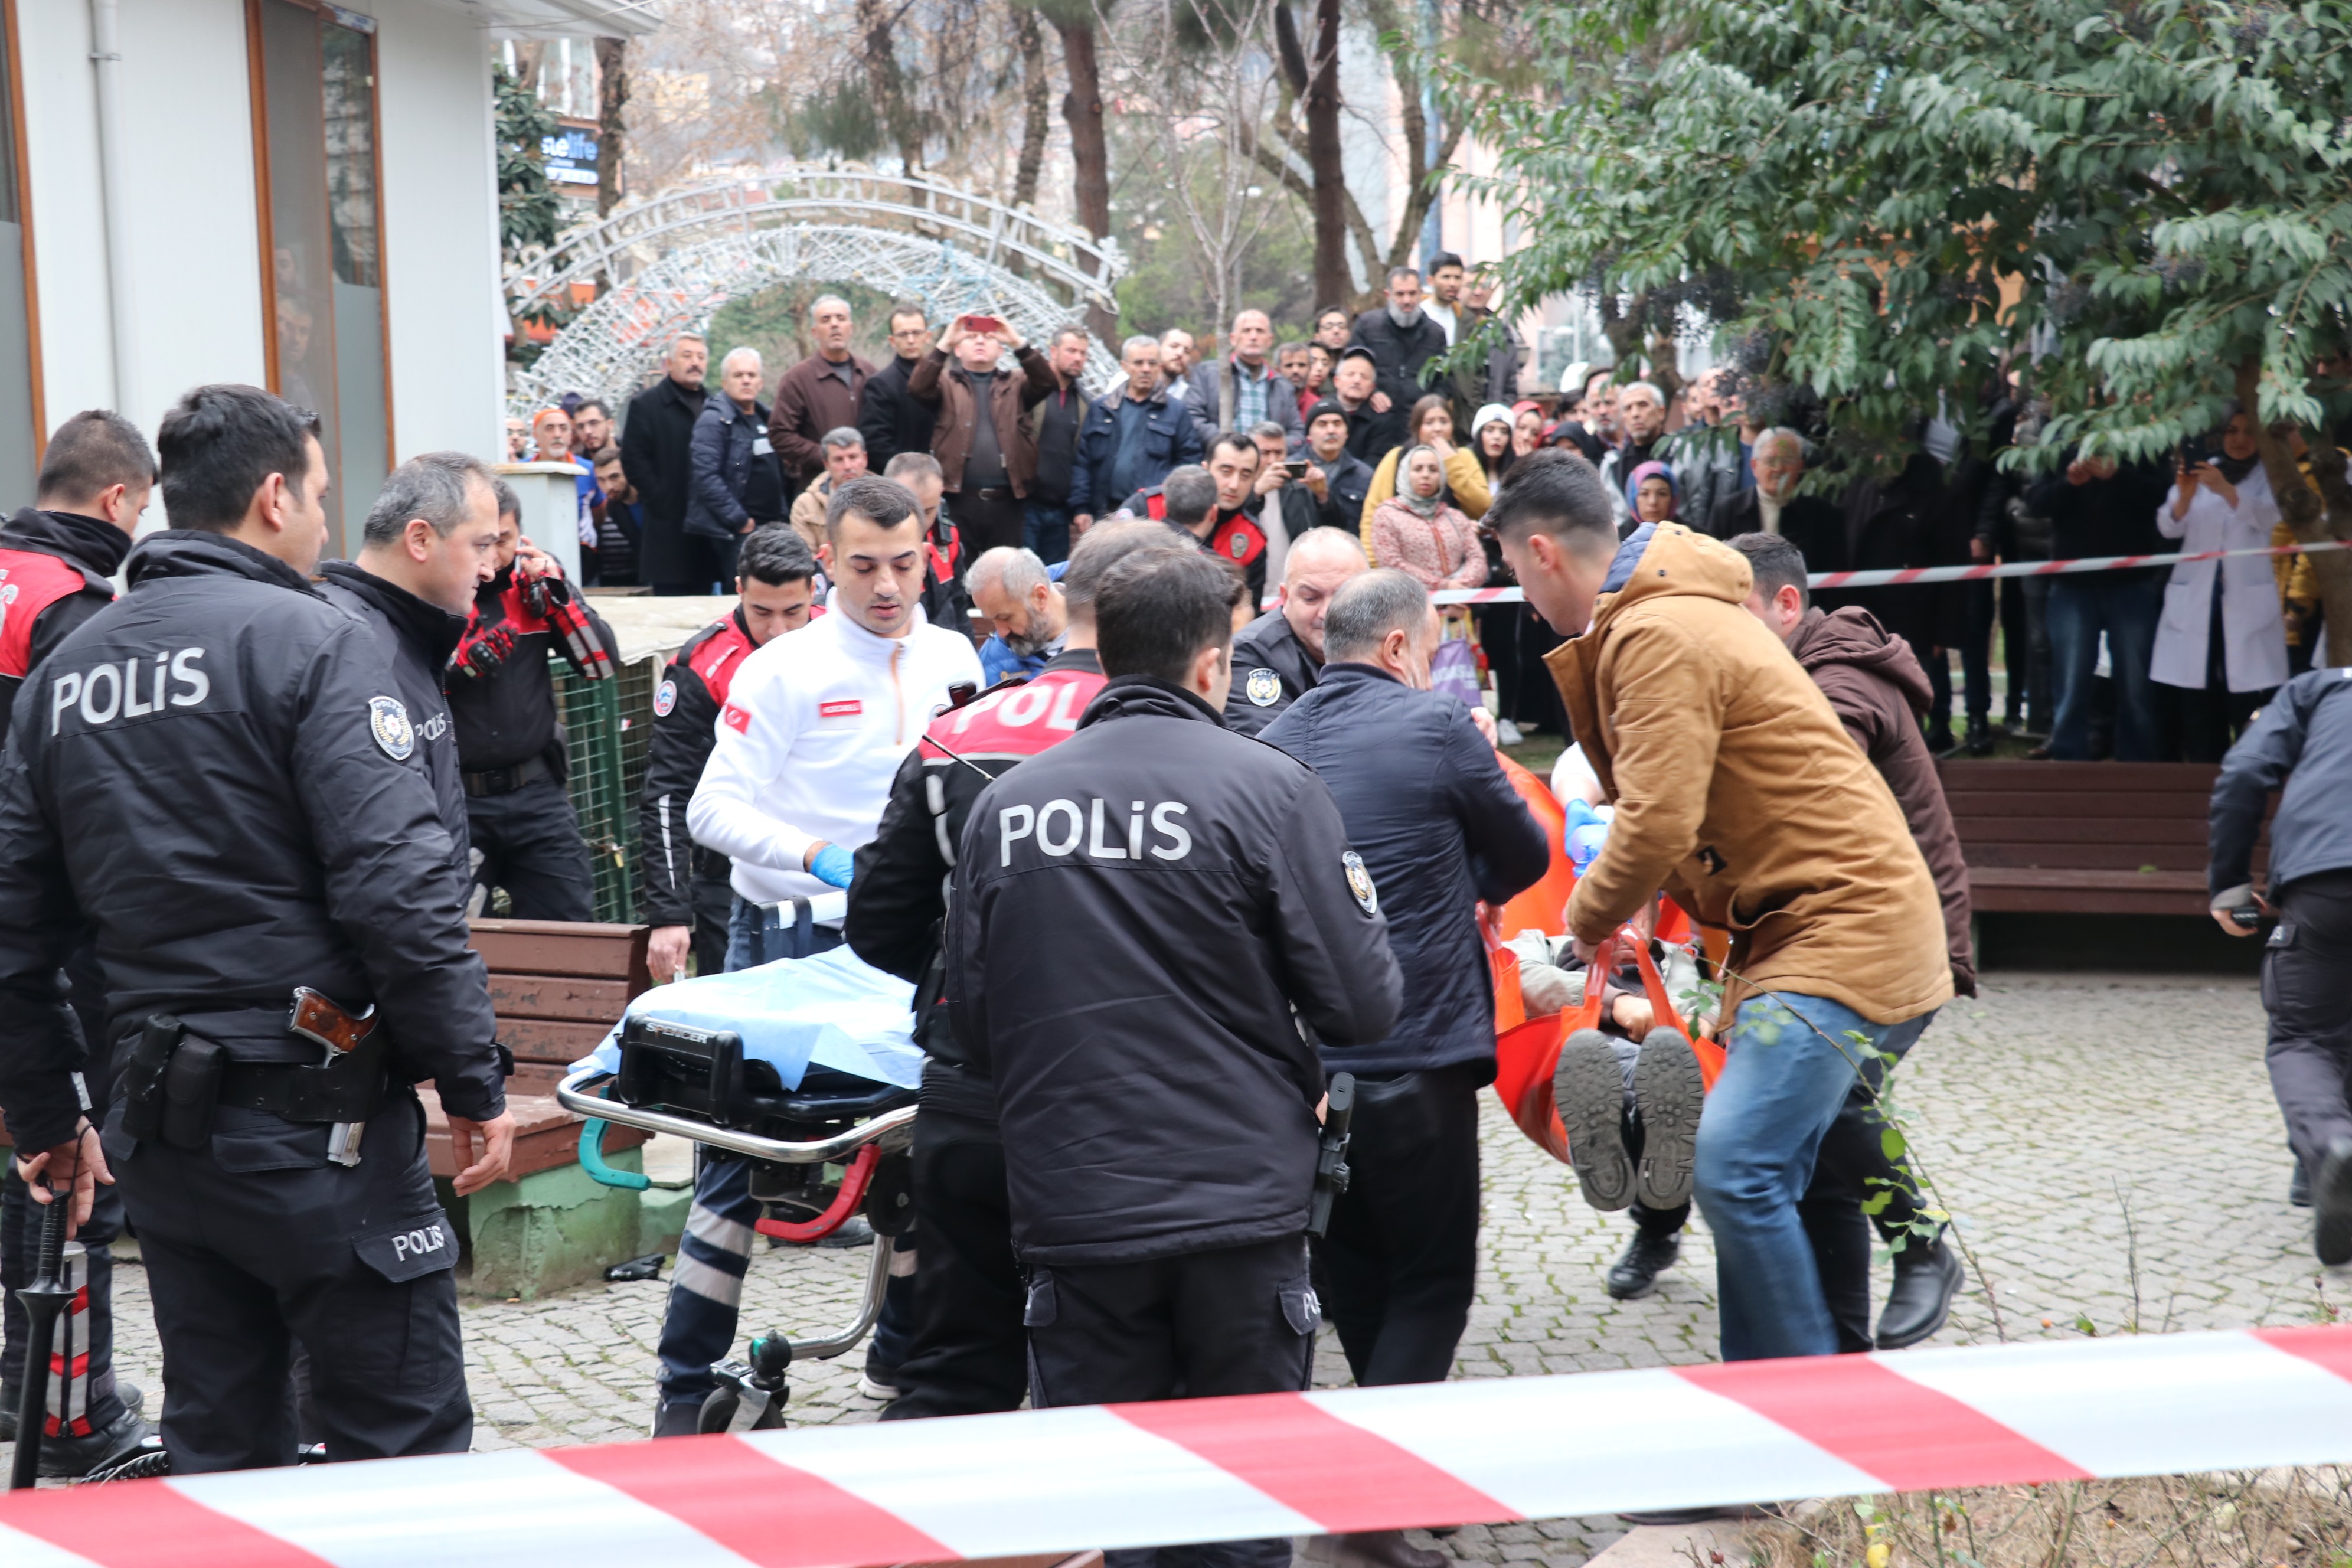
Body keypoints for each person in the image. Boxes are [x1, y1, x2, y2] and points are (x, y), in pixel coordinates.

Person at [0, 383, 515, 1473]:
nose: (329, 525)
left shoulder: (66, 678)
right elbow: (400, 892)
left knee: (222, 1452)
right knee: (403, 1446)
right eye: (322, 498)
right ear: (274, 496)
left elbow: (15, 936)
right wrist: (471, 1080)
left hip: (166, 1144)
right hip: (319, 1121)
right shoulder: (316, 643)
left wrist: (49, 1118)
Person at [945, 546, 1403, 1568]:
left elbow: (969, 1026)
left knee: (1114, 1514)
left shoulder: (1005, 806)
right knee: (1237, 1511)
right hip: (1239, 1207)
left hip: (1076, 1209)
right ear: (1212, 666)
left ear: (1106, 658)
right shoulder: (1271, 790)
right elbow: (1364, 1004)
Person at [1491, 450, 1949, 1362]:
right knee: (1796, 1167)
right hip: (1802, 931)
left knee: (1735, 1164)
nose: (1522, 597)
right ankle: (1808, 1423)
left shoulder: (1655, 632)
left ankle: (1792, 1424)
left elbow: (1658, 820)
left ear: (1542, 552)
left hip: (1838, 931)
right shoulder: (1670, 616)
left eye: (1510, 573)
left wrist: (1574, 937)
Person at [655, 478, 983, 1431]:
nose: (886, 586)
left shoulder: (954, 654)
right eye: (863, 565)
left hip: (907, 943)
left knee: (923, 1151)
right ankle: (685, 1391)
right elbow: (709, 810)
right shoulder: (782, 669)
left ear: (931, 555)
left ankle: (903, 1355)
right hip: (790, 940)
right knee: (738, 1163)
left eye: (904, 564)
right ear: (827, 560)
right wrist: (814, 859)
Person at [848, 522, 1185, 1423]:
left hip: (977, 1072)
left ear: (1063, 608)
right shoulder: (1192, 745)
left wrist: (965, 969)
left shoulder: (957, 732)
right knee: (1124, 1370)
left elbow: (877, 921)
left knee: (956, 1364)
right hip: (1137, 1099)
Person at [1259, 574, 1546, 1529]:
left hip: (1301, 1071)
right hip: (1414, 1052)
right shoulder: (1436, 730)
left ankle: (1397, 1476)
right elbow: (1524, 858)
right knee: (1431, 1277)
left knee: (1360, 1276)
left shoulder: (1268, 743)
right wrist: (1449, 870)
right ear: (1394, 647)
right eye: (1427, 647)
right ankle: (1375, 1494)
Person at [1717, 533, 1972, 1348]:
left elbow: (1807, 780)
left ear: (1787, 606)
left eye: (1738, 616)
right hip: (1841, 933)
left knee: (1822, 1108)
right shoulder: (1800, 670)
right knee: (1812, 1134)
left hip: (1892, 934)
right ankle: (1842, 1339)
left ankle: (1921, 1244)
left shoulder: (1837, 679)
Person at [0, 409, 154, 1469]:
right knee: (71, 1164)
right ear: (114, 501)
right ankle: (70, 1412)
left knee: (18, 1160)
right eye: (141, 508)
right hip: (41, 933)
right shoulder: (76, 612)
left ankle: (21, 1380)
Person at [2209, 660, 2352, 1262]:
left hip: (2325, 882)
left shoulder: (2324, 687)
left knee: (2303, 1038)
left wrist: (2230, 883)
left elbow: (2243, 771)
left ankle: (2330, 1146)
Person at [638, 527, 821, 987]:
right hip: (730, 875)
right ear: (738, 589)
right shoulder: (702, 665)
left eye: (793, 612)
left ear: (813, 591)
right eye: (762, 613)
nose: (778, 630)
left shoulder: (840, 640)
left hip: (824, 864)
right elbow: (668, 793)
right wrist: (669, 913)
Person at [446, 483, 617, 922]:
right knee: (453, 942)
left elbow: (600, 665)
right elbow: (409, 687)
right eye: (483, 542)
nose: (493, 555)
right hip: (458, 801)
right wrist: (462, 668)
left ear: (520, 537)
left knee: (570, 937)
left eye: (503, 540)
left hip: (537, 796)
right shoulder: (443, 590)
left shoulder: (534, 580)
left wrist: (557, 599)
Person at [2155, 412, 2289, 762]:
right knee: (2198, 694)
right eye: (2231, 430)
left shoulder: (2271, 473)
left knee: (2245, 695)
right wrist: (2184, 497)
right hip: (2199, 597)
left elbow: (2269, 518)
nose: (2239, 439)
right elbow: (2168, 527)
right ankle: (2204, 773)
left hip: (2246, 600)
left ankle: (2247, 772)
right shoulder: (2203, 469)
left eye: (2248, 432)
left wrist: (2226, 491)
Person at [2024, 451, 2169, 761]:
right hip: (2072, 587)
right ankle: (2067, 764)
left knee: (2136, 686)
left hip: (2133, 584)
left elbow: (2163, 496)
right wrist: (2070, 483)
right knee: (2071, 685)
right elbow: (2035, 503)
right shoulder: (2060, 441)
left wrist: (2117, 476)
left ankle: (2139, 767)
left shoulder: (2143, 441)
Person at [910, 316, 1057, 557]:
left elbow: (1046, 381)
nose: (980, 342)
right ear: (958, 348)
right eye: (971, 337)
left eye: (988, 337)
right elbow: (917, 388)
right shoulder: (946, 382)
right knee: (959, 575)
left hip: (1007, 503)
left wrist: (1017, 342)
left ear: (1000, 349)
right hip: (957, 500)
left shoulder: (1016, 382)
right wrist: (944, 343)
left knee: (1004, 577)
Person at [1224, 527, 1368, 736]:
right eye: (1311, 598)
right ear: (1285, 597)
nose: (1327, 612)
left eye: (1344, 597)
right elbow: (1274, 752)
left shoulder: (1387, 641)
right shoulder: (1251, 654)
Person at [1071, 335, 1201, 537]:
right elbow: (1083, 462)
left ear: (1159, 366)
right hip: (1103, 514)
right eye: (1139, 363)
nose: (1146, 369)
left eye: (1152, 363)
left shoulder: (1176, 411)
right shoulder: (1102, 408)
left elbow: (1188, 463)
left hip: (1151, 519)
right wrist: (1081, 507)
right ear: (1124, 366)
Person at [623, 332, 721, 595]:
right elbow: (633, 460)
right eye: (687, 356)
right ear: (669, 363)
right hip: (668, 526)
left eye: (701, 357)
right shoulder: (646, 405)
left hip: (710, 527)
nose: (695, 363)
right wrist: (661, 498)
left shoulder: (715, 405)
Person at [686, 347, 789, 582]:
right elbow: (705, 476)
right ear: (724, 382)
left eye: (751, 376)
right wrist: (739, 520)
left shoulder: (767, 418)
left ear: (761, 383)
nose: (746, 381)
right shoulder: (714, 420)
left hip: (774, 527)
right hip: (740, 533)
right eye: (738, 375)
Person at [1700, 428, 1844, 573]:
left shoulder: (1823, 514)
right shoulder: (1726, 511)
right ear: (1754, 466)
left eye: (1787, 460)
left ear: (1800, 467)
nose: (1779, 468)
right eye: (1771, 461)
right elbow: (1712, 569)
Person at [770, 295, 874, 488]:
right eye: (826, 320)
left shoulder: (869, 373)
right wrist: (827, 455)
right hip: (819, 488)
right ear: (815, 332)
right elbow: (780, 434)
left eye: (841, 318)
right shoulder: (798, 378)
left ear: (851, 328)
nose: (835, 325)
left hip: (867, 485)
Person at [1360, 396, 1493, 531]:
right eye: (1429, 423)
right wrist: (1370, 553)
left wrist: (1452, 463)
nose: (1437, 429)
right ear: (1418, 428)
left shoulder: (1464, 457)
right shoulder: (1397, 457)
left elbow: (1483, 507)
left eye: (1444, 422)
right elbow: (1373, 512)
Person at [1367, 446, 1487, 594]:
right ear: (1405, 474)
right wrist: (1443, 586)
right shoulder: (1387, 514)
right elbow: (1392, 564)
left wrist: (1460, 590)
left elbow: (1477, 558)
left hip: (1459, 607)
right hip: (1411, 606)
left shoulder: (1454, 517)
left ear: (1442, 476)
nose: (1426, 475)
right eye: (1418, 469)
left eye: (1433, 469)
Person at [1186, 308, 1303, 454]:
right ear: (1233, 339)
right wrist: (1228, 445)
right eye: (1246, 331)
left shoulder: (1282, 386)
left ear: (1270, 340)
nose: (1253, 337)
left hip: (1268, 467)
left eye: (1260, 331)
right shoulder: (1208, 374)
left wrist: (1273, 448)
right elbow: (1192, 417)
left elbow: (1297, 432)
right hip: (1221, 461)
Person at [885, 450, 972, 638]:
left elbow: (959, 605)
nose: (920, 521)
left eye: (929, 510)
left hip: (945, 645)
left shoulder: (948, 538)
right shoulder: (871, 551)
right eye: (910, 509)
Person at [1027, 325, 1092, 564]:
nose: (1078, 358)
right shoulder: (1029, 390)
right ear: (1053, 351)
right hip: (1025, 506)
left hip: (1060, 511)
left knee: (1054, 580)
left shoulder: (1085, 402)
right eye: (1071, 351)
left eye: (1083, 353)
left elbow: (1083, 458)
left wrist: (1079, 506)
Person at [1350, 266, 1449, 416]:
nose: (1407, 301)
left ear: (1421, 293)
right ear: (1388, 295)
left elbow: (1444, 382)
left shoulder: (1436, 334)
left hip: (1417, 421)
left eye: (1412, 294)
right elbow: (1351, 368)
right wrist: (1372, 393)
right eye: (1400, 294)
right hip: (1375, 418)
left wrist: (1430, 408)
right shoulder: (1367, 326)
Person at [968, 545, 1068, 685]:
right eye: (992, 620)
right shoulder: (992, 657)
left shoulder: (1103, 625)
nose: (1002, 633)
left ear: (1040, 596)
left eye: (1005, 618)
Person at [859, 302, 941, 470]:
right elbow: (876, 442)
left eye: (917, 333)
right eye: (903, 334)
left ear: (928, 336)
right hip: (902, 480)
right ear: (892, 340)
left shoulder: (944, 379)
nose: (911, 340)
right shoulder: (881, 384)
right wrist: (907, 474)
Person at [1246, 419, 1317, 586]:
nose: (1273, 461)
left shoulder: (1296, 489)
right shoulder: (1239, 488)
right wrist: (1256, 492)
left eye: (1279, 453)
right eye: (1265, 453)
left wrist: (1322, 495)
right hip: (1251, 586)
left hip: (1288, 587)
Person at [1596, 381, 1667, 528]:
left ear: (1661, 412)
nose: (1635, 414)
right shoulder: (1613, 465)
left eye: (1643, 405)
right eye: (1628, 408)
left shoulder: (1682, 453)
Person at [787, 426, 869, 555]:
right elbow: (804, 559)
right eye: (839, 459)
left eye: (853, 457)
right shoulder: (805, 504)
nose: (848, 466)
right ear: (826, 464)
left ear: (865, 459)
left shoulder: (889, 497)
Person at [1300, 400, 1375, 533]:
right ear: (1309, 435)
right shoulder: (1293, 470)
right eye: (1322, 424)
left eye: (1337, 424)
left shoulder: (1364, 475)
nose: (1331, 430)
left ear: (1347, 433)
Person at [1332, 347, 1407, 467]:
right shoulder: (1321, 410)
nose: (1357, 380)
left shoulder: (1382, 420)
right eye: (1350, 374)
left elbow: (1374, 463)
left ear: (1372, 387)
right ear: (1336, 381)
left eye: (1364, 377)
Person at [590, 445, 641, 586]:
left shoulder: (649, 498)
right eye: (601, 480)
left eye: (614, 477)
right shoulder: (613, 507)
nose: (608, 487)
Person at [1159, 326, 1214, 411]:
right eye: (1174, 346)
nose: (1180, 353)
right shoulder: (1133, 386)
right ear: (1158, 348)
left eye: (1187, 351)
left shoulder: (1189, 396)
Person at [1629, 461, 1679, 525]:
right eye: (1644, 494)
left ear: (1672, 498)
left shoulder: (1689, 533)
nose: (1653, 502)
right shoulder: (1617, 534)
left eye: (1662, 494)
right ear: (1633, 498)